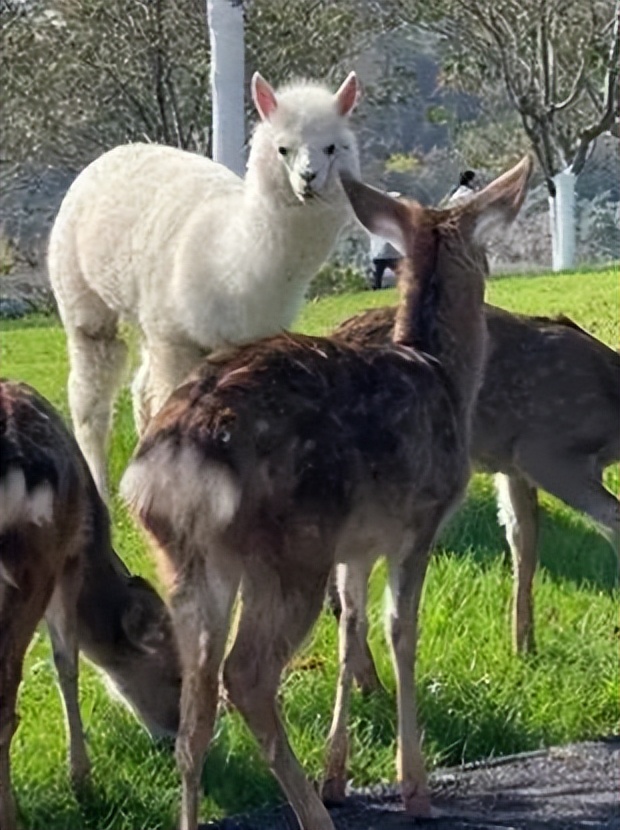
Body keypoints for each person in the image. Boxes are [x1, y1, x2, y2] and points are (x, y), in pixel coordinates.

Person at [369, 191, 402, 290]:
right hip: (388, 251)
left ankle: (377, 288)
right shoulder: (392, 215)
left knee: (379, 274)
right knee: (400, 272)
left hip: (381, 252)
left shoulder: (376, 214)